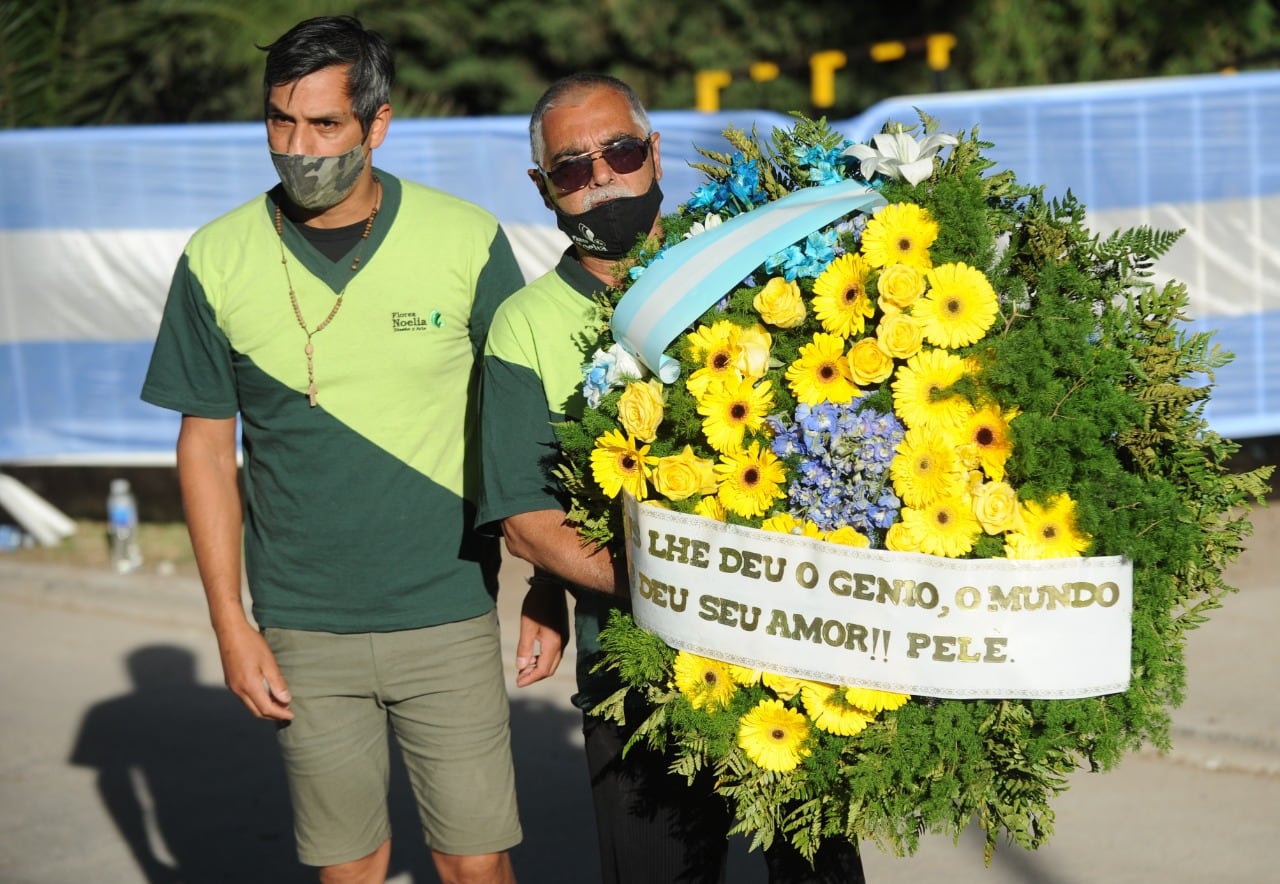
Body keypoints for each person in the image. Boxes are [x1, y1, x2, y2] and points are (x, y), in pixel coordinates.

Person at [141, 16, 525, 884]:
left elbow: (518, 421)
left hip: (450, 611)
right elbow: (204, 447)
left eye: (324, 126)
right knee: (350, 870)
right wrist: (229, 623)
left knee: (476, 866)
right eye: (280, 121)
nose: (297, 145)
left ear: (376, 124)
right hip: (302, 625)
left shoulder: (466, 239)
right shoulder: (215, 258)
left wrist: (547, 590)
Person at [477, 74, 866, 884]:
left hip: (796, 650)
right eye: (573, 169)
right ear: (542, 186)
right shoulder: (526, 325)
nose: (603, 180)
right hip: (636, 665)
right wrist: (677, 589)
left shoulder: (750, 265)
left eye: (619, 153)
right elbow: (525, 520)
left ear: (653, 153)